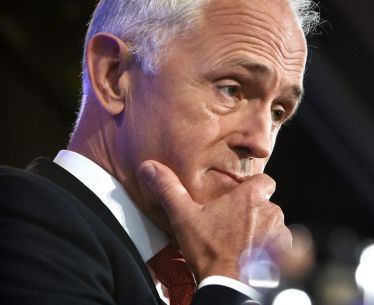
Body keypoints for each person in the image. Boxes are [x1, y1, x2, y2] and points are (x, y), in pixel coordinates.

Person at [0, 0, 318, 304]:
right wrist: (231, 281)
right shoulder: (17, 217)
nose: (260, 143)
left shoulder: (195, 279)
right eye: (231, 89)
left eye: (278, 112)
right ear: (113, 75)